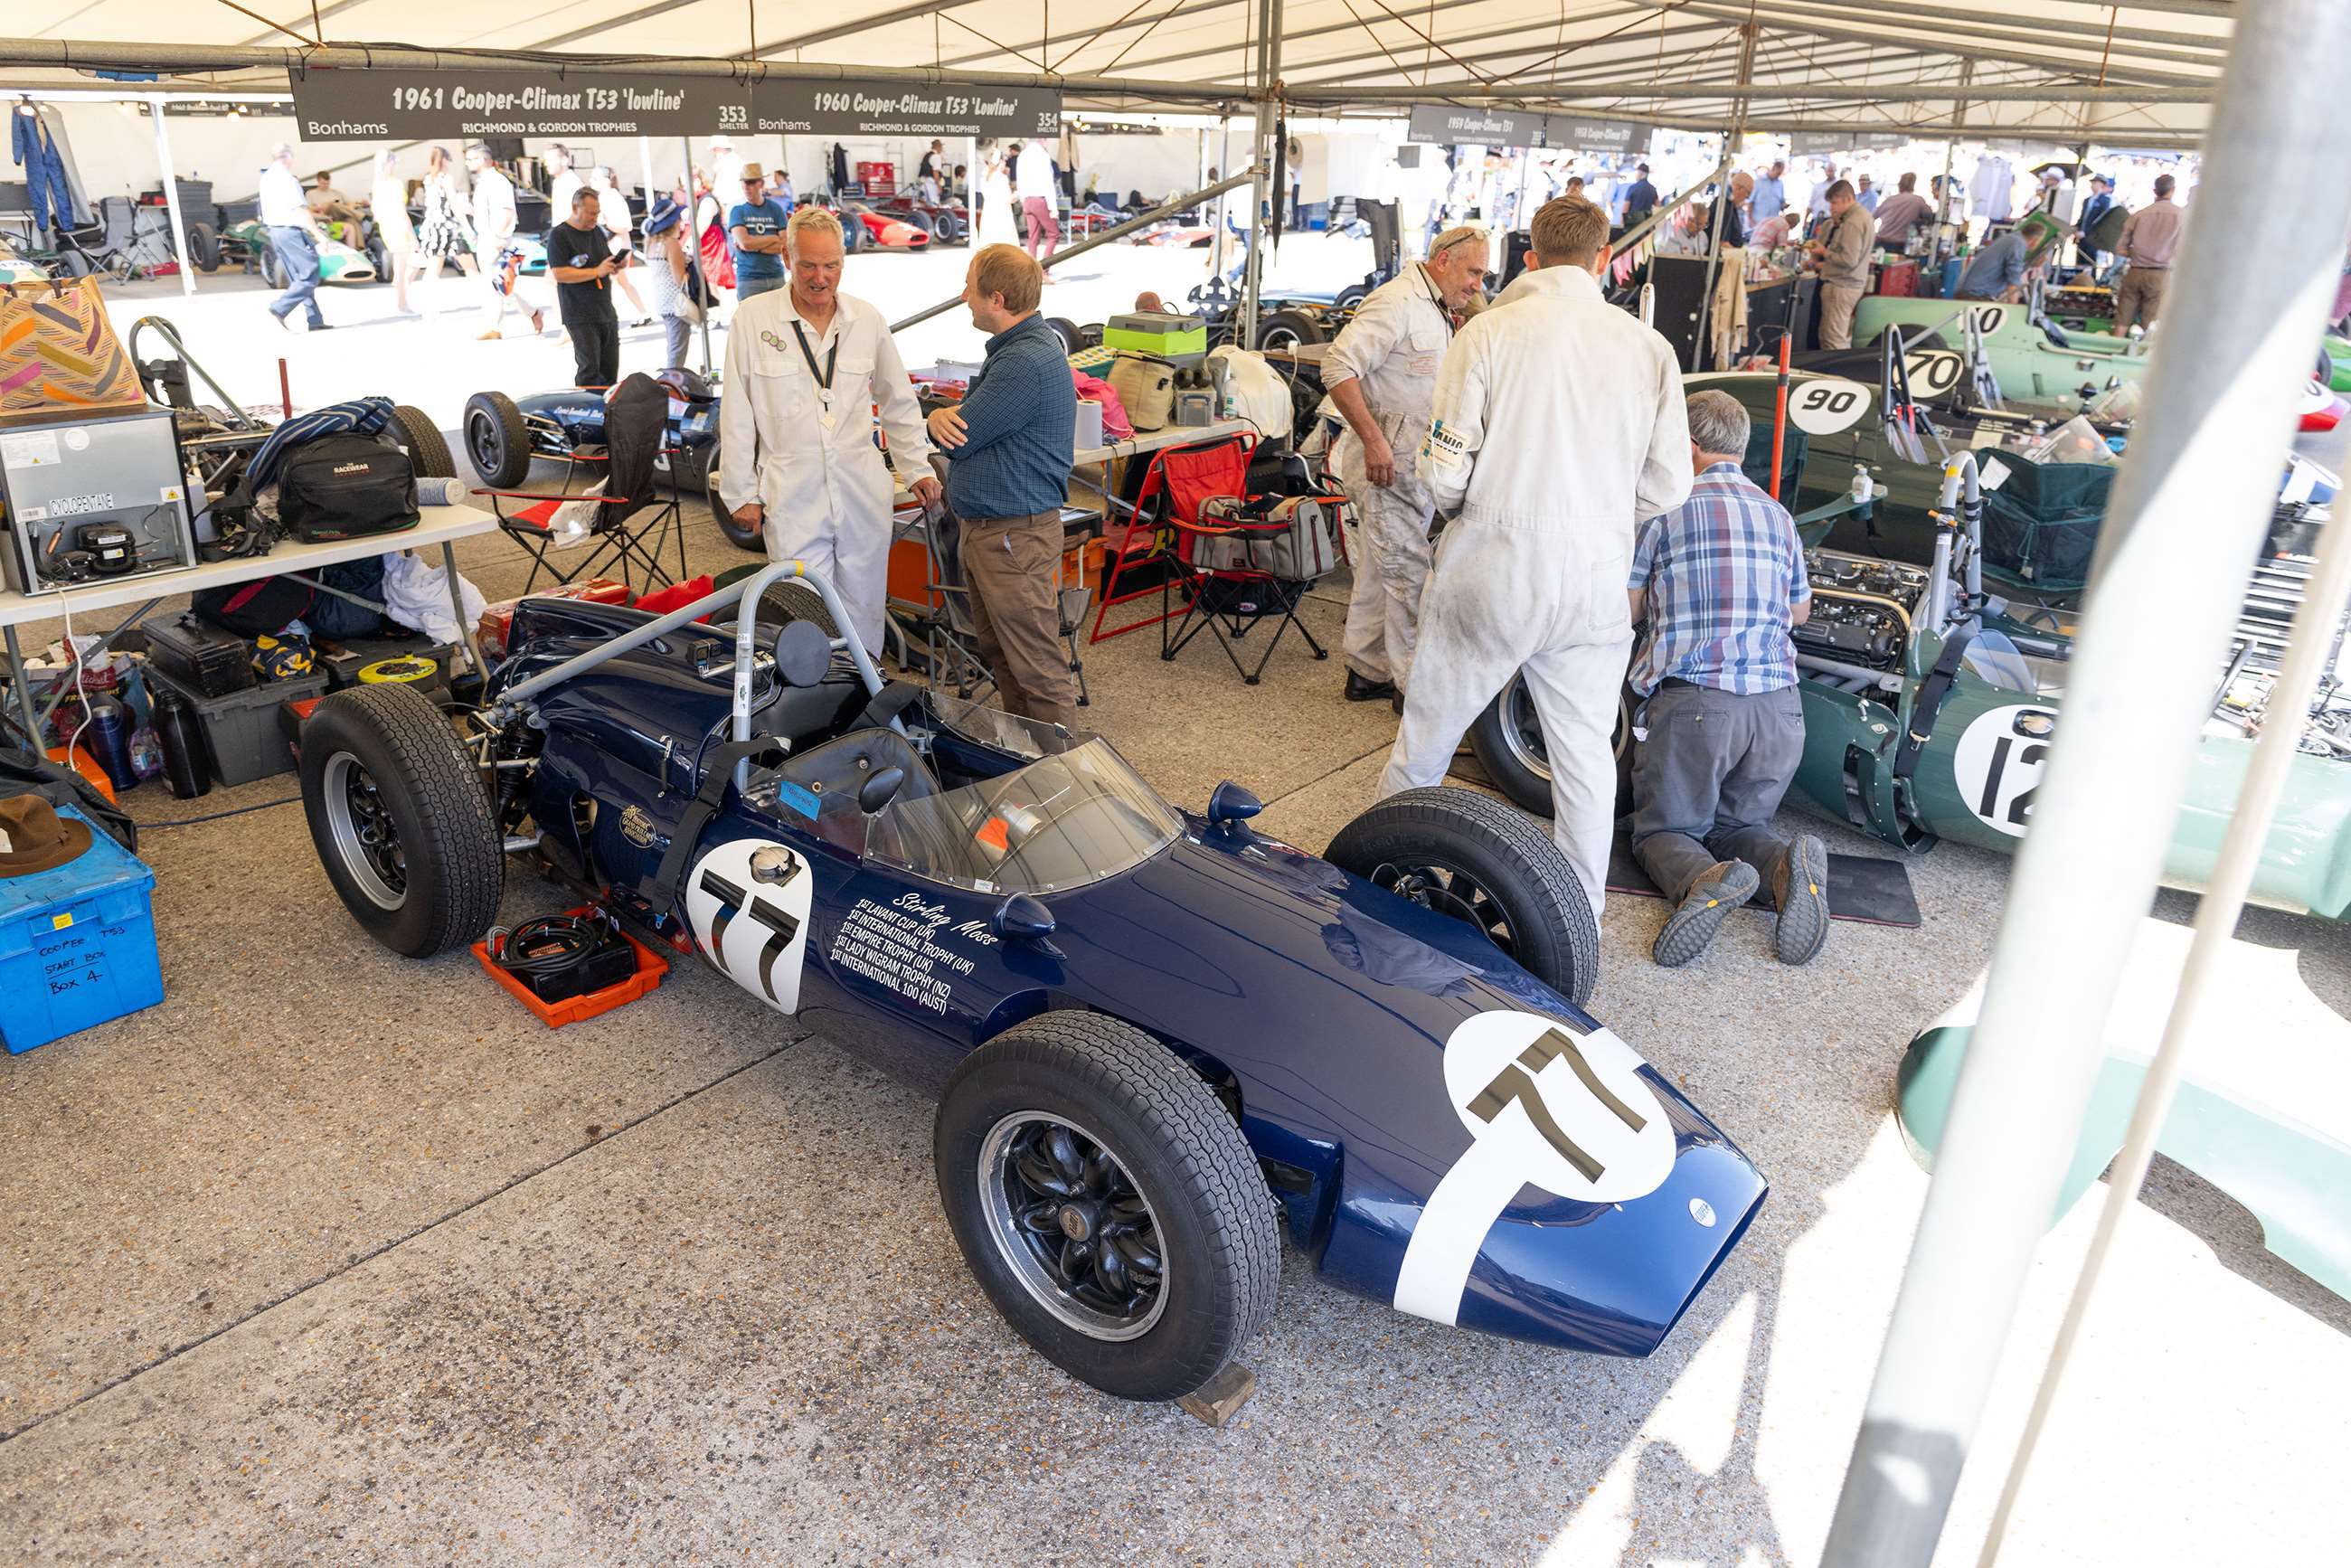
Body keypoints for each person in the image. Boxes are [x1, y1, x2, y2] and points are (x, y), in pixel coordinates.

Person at [1380, 196, 1692, 921]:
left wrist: (1470, 512)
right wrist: (1608, 519)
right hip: (1594, 575)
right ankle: (1579, 916)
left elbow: (1443, 469)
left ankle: (1380, 875)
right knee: (1583, 757)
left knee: (1427, 736)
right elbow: (1671, 482)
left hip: (1495, 559)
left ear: (1529, 256)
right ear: (1604, 256)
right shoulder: (1649, 348)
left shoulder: (1486, 334)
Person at [1626, 389, 1827, 968]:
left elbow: (1628, 609)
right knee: (1741, 822)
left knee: (1665, 831)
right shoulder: (1778, 515)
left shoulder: (1664, 511)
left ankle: (1703, 880)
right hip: (1781, 709)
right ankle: (1785, 866)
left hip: (1699, 705)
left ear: (1687, 447)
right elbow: (1799, 613)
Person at [717, 206, 941, 655]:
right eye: (808, 265)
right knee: (805, 607)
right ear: (787, 257)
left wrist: (917, 467)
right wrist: (741, 493)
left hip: (860, 488)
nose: (820, 277)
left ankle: (865, 695)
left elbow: (898, 399)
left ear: (844, 261)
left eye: (831, 265)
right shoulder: (753, 319)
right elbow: (737, 410)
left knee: (864, 603)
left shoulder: (866, 319)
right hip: (792, 492)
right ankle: (816, 704)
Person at [1325, 224, 1490, 707]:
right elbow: (1338, 367)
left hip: (1409, 461)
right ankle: (1416, 693)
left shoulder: (1437, 306)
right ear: (1443, 261)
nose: (1477, 283)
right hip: (1386, 463)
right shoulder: (1395, 303)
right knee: (1408, 572)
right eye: (1473, 271)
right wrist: (1373, 441)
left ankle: (1367, 670)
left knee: (1384, 568)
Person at [923, 245, 1081, 728]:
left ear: (995, 298)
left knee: (1035, 665)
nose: (963, 296)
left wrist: (935, 418)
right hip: (1003, 534)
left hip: (1011, 537)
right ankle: (1029, 758)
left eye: (969, 287)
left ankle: (1061, 778)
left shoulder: (1023, 363)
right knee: (1006, 654)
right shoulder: (1022, 352)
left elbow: (961, 437)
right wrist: (945, 414)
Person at [543, 185, 627, 388]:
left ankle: (609, 413)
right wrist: (596, 272)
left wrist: (614, 264)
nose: (594, 218)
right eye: (590, 213)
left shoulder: (596, 231)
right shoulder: (560, 235)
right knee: (589, 369)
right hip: (579, 313)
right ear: (575, 208)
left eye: (597, 213)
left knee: (610, 370)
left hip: (605, 310)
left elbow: (602, 260)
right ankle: (587, 410)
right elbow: (560, 273)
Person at [467, 144, 544, 341]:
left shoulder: (497, 181)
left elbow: (507, 211)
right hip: (486, 236)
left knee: (500, 282)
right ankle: (503, 322)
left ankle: (510, 320)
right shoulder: (484, 181)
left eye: (471, 159)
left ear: (483, 159)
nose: (468, 163)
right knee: (497, 283)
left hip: (495, 238)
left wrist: (500, 237)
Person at [259, 144, 327, 333]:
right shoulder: (287, 179)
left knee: (298, 277)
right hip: (290, 231)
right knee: (310, 273)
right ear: (288, 157)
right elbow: (301, 209)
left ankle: (315, 319)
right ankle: (279, 308)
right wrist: (318, 234)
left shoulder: (266, 177)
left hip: (275, 231)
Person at [2114, 174, 2184, 336]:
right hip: (2162, 275)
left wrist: (2138, 254)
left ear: (2154, 190)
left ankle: (2110, 354)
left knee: (2122, 320)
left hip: (2135, 271)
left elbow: (2120, 249)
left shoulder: (2139, 215)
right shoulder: (2182, 216)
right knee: (2150, 324)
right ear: (2173, 190)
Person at [1805, 179, 1872, 350]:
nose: (1831, 208)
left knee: (1833, 339)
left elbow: (1849, 260)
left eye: (1834, 203)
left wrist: (1823, 252)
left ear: (1848, 199)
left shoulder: (1853, 222)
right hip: (1846, 284)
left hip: (1842, 285)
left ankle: (1837, 375)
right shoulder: (1862, 216)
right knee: (1828, 336)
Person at [412, 144, 477, 313]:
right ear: (445, 160)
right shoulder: (445, 178)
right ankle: (488, 296)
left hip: (433, 228)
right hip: (449, 227)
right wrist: (467, 227)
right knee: (470, 266)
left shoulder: (428, 179)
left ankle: (428, 306)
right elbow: (454, 204)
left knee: (433, 269)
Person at [587, 165, 652, 326]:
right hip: (610, 248)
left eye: (594, 178)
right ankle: (644, 313)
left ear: (606, 180)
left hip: (617, 248)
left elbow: (626, 226)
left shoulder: (613, 198)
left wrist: (604, 222)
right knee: (620, 283)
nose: (590, 181)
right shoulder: (603, 197)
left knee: (604, 285)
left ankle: (604, 320)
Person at [641, 195, 695, 372]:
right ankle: (670, 385)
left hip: (663, 301)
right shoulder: (671, 244)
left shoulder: (651, 243)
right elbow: (680, 278)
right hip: (677, 303)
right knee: (677, 352)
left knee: (673, 346)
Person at [728, 164, 790, 301]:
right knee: (751, 322)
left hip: (776, 276)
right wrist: (773, 238)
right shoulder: (737, 211)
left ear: (760, 183)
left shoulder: (776, 209)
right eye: (744, 183)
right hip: (749, 279)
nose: (746, 187)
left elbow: (784, 245)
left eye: (750, 182)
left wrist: (756, 247)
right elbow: (745, 243)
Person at [368, 148, 418, 316]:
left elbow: (376, 211)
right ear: (390, 163)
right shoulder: (394, 183)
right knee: (407, 265)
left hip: (387, 226)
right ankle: (402, 303)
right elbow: (402, 212)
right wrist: (412, 236)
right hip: (398, 226)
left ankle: (401, 300)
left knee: (403, 266)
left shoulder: (378, 183)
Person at [1956, 225, 2033, 302]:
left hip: (1969, 292)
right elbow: (2013, 279)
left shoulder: (2009, 239)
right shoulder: (2018, 243)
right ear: (2035, 241)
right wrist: (2013, 306)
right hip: (1976, 295)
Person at [1015, 137, 1060, 261]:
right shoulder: (1043, 155)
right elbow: (1048, 182)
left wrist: (1023, 200)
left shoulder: (1022, 155)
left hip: (1027, 200)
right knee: (1054, 234)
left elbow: (1020, 180)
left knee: (1033, 237)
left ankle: (1030, 269)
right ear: (1041, 140)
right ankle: (1044, 268)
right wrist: (1053, 207)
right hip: (1040, 199)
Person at [1873, 172, 1934, 247]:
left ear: (1899, 184)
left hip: (1881, 241)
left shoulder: (1890, 199)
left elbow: (1872, 217)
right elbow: (1930, 216)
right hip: (1900, 244)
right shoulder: (1918, 201)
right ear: (1913, 185)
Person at [977, 146, 1018, 246]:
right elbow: (1009, 199)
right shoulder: (1001, 178)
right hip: (1002, 215)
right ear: (1000, 162)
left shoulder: (985, 176)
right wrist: (1018, 194)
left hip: (989, 214)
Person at [2076, 174, 2116, 274]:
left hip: (2093, 239)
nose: (2093, 185)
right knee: (2079, 263)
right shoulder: (2087, 200)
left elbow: (2101, 221)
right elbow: (2083, 217)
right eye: (2092, 183)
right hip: (2081, 238)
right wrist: (2077, 228)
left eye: (2095, 183)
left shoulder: (2105, 201)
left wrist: (2086, 232)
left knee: (2090, 263)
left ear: (2102, 185)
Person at [544, 144, 583, 229]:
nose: (546, 164)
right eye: (546, 160)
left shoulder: (572, 182)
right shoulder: (557, 181)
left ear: (564, 160)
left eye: (551, 160)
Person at [1748, 160, 1786, 227]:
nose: (1778, 176)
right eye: (1777, 173)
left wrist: (1784, 205)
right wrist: (1750, 219)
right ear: (1773, 169)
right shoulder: (1759, 181)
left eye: (1780, 174)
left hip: (1772, 222)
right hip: (1758, 221)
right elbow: (1751, 202)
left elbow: (1781, 201)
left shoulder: (1780, 184)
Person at [1621, 163, 1658, 227]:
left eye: (1637, 173)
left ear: (1641, 173)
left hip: (1632, 221)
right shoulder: (1653, 189)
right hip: (1647, 221)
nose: (1636, 175)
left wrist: (1622, 223)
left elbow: (1625, 207)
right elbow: (1658, 206)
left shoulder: (1633, 188)